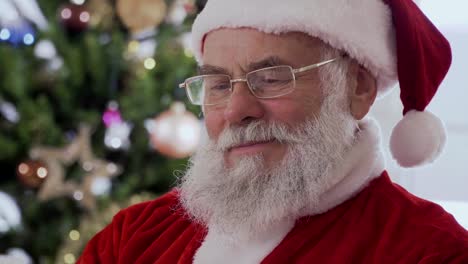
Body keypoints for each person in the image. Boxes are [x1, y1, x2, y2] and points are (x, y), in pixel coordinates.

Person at [78, 0, 468, 263]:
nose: (235, 110)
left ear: (358, 88)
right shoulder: (135, 237)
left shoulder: (429, 251)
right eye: (217, 84)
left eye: (270, 79)